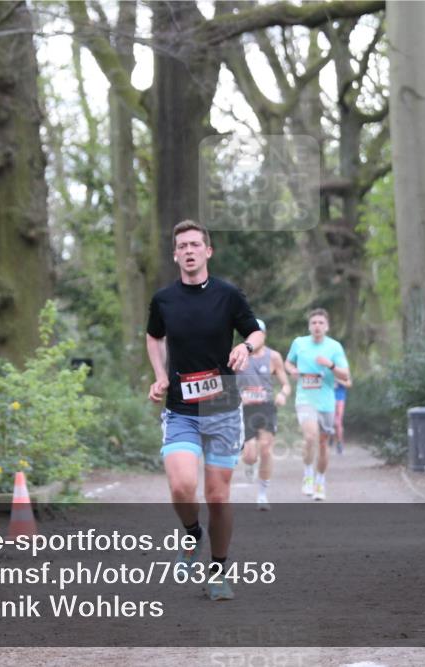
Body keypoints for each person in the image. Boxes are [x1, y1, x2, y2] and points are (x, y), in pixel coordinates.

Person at [146, 220, 263, 601]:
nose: (190, 250)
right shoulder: (164, 300)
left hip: (223, 404)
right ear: (175, 254)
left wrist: (246, 347)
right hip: (181, 406)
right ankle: (193, 534)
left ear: (208, 251)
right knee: (181, 486)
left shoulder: (228, 295)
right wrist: (160, 375)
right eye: (183, 245)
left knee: (218, 496)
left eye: (196, 244)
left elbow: (256, 332)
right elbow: (153, 335)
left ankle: (217, 571)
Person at [285, 308, 350, 501]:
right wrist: (293, 370)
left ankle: (320, 481)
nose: (317, 326)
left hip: (327, 402)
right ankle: (307, 473)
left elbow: (345, 375)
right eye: (314, 323)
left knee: (322, 444)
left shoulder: (334, 347)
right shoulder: (299, 343)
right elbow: (288, 363)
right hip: (305, 400)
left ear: (327, 326)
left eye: (321, 323)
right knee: (310, 436)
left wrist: (330, 365)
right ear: (309, 326)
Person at [237, 318, 291, 511]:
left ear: (264, 335)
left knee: (266, 450)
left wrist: (283, 394)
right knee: (250, 455)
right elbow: (227, 385)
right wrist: (239, 397)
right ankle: (249, 464)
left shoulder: (273, 356)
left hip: (267, 407)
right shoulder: (238, 355)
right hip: (246, 410)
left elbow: (285, 383)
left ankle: (262, 494)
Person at [333, 377, 351, 455]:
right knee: (329, 422)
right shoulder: (324, 368)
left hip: (339, 398)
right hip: (326, 399)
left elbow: (349, 384)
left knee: (338, 422)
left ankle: (339, 443)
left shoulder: (342, 368)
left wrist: (337, 380)